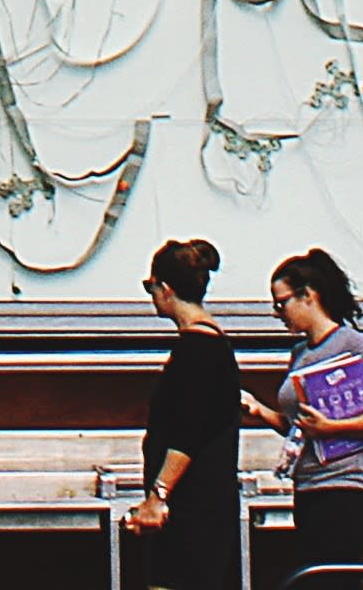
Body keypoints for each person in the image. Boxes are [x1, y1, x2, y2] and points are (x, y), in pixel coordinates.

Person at [122, 237, 264, 590]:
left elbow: (186, 432)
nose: (151, 295)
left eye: (150, 286)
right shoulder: (215, 345)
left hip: (191, 511)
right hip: (206, 507)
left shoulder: (195, 351)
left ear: (166, 289)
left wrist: (158, 496)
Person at [266, 249, 363, 582]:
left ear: (308, 296)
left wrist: (332, 426)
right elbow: (297, 426)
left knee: (326, 578)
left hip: (346, 486)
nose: (279, 314)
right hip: (308, 486)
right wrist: (256, 410)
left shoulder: (354, 345)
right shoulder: (300, 353)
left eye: (283, 303)